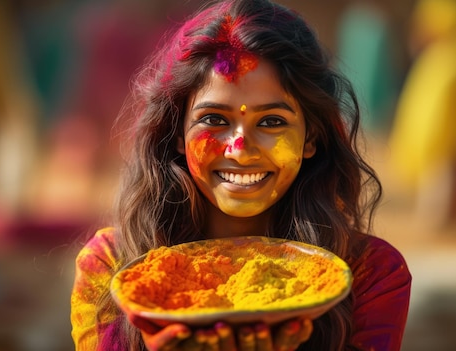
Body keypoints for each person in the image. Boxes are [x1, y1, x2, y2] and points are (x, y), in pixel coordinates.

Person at [70, 0, 411, 350]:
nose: (240, 149)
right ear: (175, 133)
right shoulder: (113, 269)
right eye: (215, 119)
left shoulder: (370, 274)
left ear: (311, 137)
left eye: (272, 122)